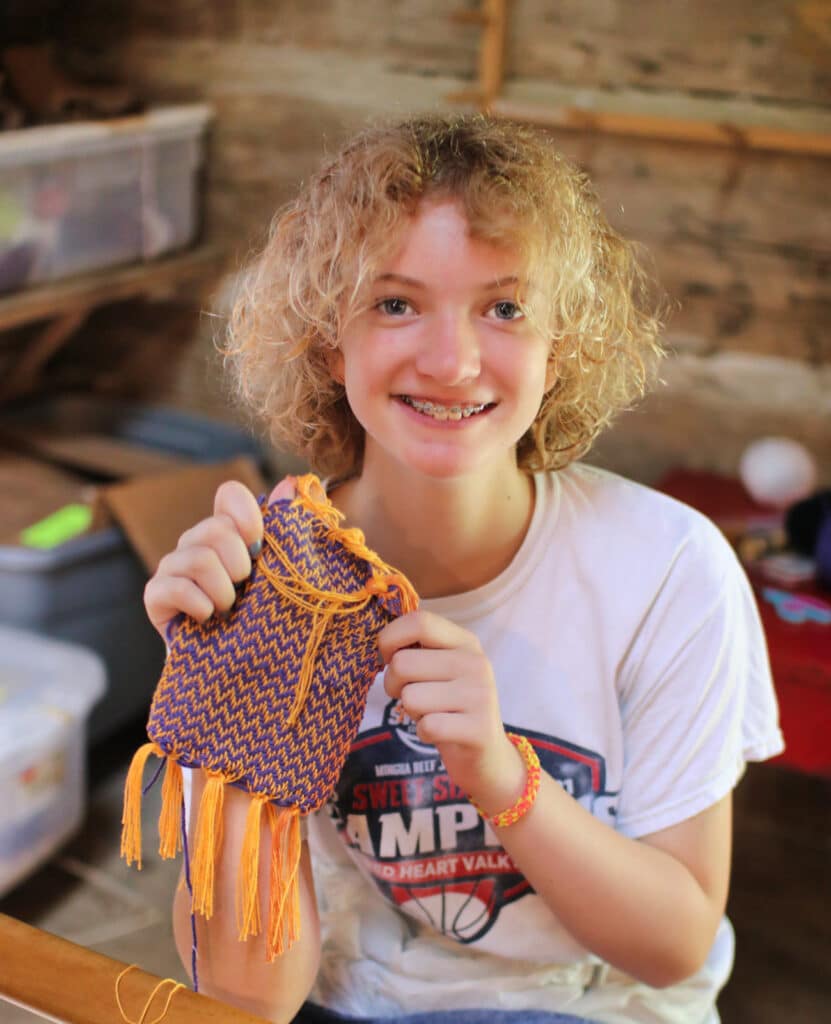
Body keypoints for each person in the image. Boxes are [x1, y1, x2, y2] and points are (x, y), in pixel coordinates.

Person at [143, 113, 783, 1024]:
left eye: (506, 307)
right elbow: (249, 999)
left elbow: (674, 942)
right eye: (395, 302)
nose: (452, 362)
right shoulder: (270, 584)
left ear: (560, 345)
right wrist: (227, 709)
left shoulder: (667, 569)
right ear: (330, 337)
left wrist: (496, 771)